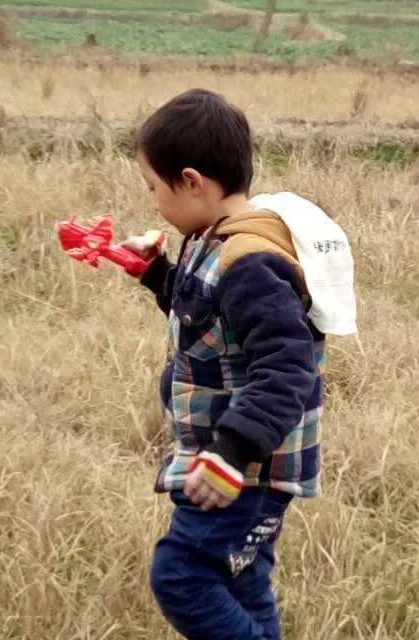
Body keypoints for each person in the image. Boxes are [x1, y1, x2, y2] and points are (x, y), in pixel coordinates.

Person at [124, 88, 355, 640]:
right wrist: (155, 274)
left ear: (191, 181)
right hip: (231, 461)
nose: (153, 203)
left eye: (153, 188)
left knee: (182, 575)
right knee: (243, 582)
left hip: (245, 469)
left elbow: (288, 367)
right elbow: (210, 318)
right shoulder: (211, 238)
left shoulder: (249, 260)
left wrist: (231, 453)